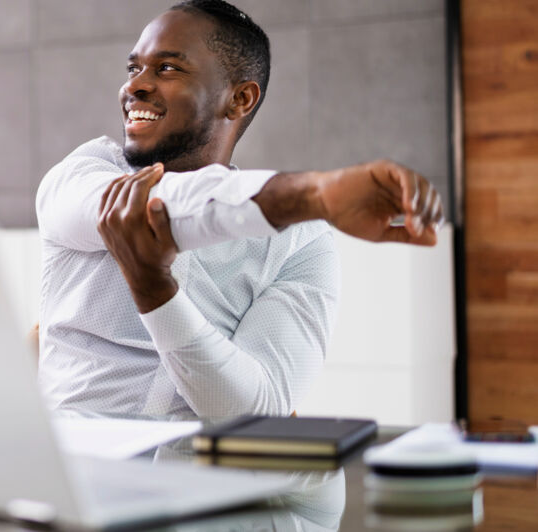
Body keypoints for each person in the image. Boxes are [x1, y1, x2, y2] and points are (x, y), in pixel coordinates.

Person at [35, 0, 443, 417]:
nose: (134, 86)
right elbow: (145, 209)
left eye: (168, 68)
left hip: (200, 479)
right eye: (133, 68)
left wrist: (156, 292)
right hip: (65, 467)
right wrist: (316, 194)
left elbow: (257, 408)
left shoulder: (300, 241)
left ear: (240, 99)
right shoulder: (83, 175)